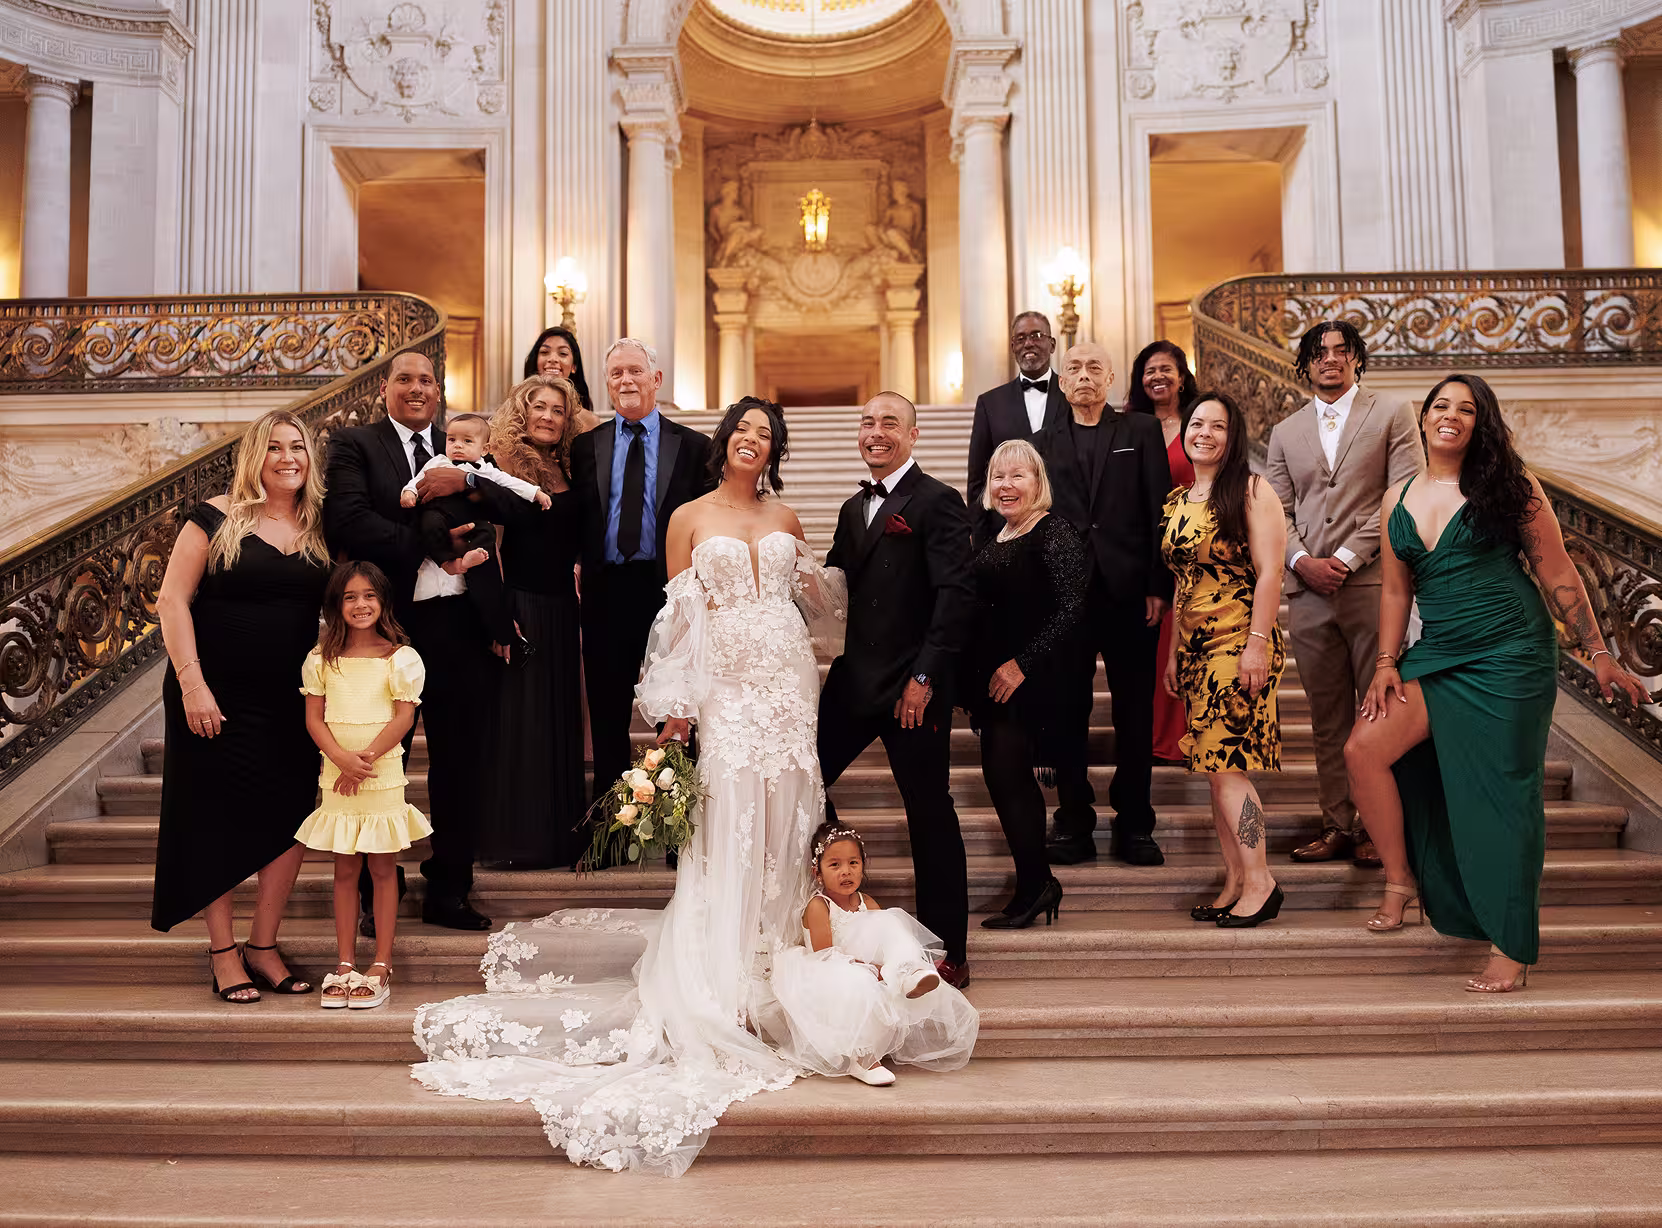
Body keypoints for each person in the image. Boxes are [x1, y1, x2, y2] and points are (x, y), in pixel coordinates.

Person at [410, 396, 851, 1176]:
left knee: (788, 813)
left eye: (766, 435)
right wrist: (676, 711)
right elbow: (679, 618)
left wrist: (826, 589)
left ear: (774, 449)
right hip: (728, 691)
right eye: (743, 431)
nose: (753, 441)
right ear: (725, 444)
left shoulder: (788, 518)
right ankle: (721, 971)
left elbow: (814, 607)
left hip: (786, 683)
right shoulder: (687, 515)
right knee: (729, 816)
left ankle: (778, 955)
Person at [1345, 374, 1649, 992]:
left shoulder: (1512, 487)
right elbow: (1398, 588)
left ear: (1480, 423)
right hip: (1439, 652)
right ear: (1423, 417)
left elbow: (1557, 569)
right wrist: (1384, 665)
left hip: (1511, 652)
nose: (1450, 416)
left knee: (1506, 798)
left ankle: (1511, 946)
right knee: (1363, 751)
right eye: (1440, 406)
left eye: (1466, 409)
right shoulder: (1397, 493)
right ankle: (1403, 879)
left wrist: (1597, 650)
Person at [323, 350, 515, 933]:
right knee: (381, 757)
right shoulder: (356, 445)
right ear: (385, 389)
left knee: (461, 763)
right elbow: (348, 522)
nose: (417, 388)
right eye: (404, 379)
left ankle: (450, 887)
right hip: (388, 627)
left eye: (427, 380)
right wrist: (431, 544)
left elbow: (505, 507)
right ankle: (372, 886)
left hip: (460, 623)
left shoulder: (462, 443)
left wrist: (472, 489)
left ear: (440, 390)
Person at [151, 409, 331, 1002]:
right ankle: (223, 952)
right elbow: (173, 601)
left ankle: (264, 945)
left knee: (291, 816)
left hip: (293, 697)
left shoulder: (322, 525)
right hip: (214, 693)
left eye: (298, 447)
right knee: (213, 815)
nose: (288, 458)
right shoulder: (215, 516)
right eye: (275, 447)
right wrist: (192, 684)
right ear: (255, 455)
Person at [818, 391, 975, 986]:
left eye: (889, 423)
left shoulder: (939, 501)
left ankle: (948, 949)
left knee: (929, 810)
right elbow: (833, 592)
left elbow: (955, 597)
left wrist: (925, 678)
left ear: (912, 435)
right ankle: (839, 910)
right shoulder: (851, 507)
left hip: (914, 687)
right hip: (855, 680)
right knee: (804, 779)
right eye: (867, 422)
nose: (876, 432)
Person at [1266, 322, 1422, 870]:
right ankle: (1337, 823)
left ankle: (1381, 832)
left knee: (1377, 711)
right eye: (1319, 353)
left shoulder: (1392, 414)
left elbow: (1403, 493)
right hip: (1307, 593)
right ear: (1306, 365)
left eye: (1341, 351)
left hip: (1374, 585)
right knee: (1326, 716)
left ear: (1357, 359)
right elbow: (1277, 510)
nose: (1330, 360)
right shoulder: (1285, 431)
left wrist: (1349, 558)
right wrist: (1301, 560)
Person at [1037, 342, 1172, 867]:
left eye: (1095, 367)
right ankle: (1073, 818)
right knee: (1067, 711)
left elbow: (1160, 510)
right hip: (1063, 600)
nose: (1085, 376)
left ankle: (1135, 821)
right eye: (1074, 368)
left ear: (1112, 377)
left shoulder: (1139, 432)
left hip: (1130, 594)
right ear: (1062, 380)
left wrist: (1159, 587)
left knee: (1134, 713)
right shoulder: (1039, 441)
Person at [1162, 393, 1288, 929]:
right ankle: (1236, 877)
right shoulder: (1177, 500)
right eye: (1197, 423)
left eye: (1218, 425)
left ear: (1233, 437)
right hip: (1193, 650)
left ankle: (1262, 880)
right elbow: (1180, 583)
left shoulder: (1253, 490)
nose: (1205, 433)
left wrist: (1257, 643)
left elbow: (1271, 573)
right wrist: (1172, 655)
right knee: (1215, 774)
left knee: (1230, 770)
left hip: (1239, 643)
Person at [570, 338, 714, 800]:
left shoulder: (694, 447)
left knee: (675, 707)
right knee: (609, 712)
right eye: (616, 373)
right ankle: (612, 825)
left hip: (668, 592)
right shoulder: (584, 447)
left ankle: (677, 827)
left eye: (635, 371)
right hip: (604, 591)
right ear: (607, 385)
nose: (625, 380)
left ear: (656, 380)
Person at [296, 561, 428, 1010]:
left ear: (383, 601)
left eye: (369, 596)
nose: (360, 604)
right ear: (336, 605)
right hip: (337, 773)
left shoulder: (401, 657)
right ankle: (347, 962)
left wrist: (363, 761)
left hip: (379, 773)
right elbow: (314, 718)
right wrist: (340, 760)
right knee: (344, 869)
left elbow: (404, 717)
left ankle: (383, 962)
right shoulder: (321, 660)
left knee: (381, 866)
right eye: (350, 597)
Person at [965, 440, 1085, 930]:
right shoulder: (997, 533)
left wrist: (1022, 665)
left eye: (1018, 476)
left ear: (1038, 483)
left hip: (1035, 681)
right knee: (1005, 781)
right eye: (997, 476)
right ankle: (1036, 882)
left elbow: (1073, 608)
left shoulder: (1054, 531)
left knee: (1010, 779)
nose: (1006, 485)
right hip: (999, 683)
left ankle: (1035, 885)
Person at [767, 822, 979, 1086]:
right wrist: (871, 969)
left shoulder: (867, 903)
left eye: (853, 863)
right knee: (859, 981)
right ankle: (863, 1057)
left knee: (891, 921)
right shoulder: (819, 906)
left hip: (872, 969)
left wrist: (883, 967)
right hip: (831, 974)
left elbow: (882, 940)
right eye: (834, 865)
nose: (846, 871)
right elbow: (825, 957)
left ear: (863, 865)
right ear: (817, 873)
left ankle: (908, 971)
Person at [477, 374, 586, 870]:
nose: (547, 416)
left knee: (557, 719)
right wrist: (501, 618)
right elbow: (489, 543)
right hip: (521, 605)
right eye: (538, 406)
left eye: (557, 410)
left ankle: (559, 837)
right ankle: (519, 840)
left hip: (563, 607)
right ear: (522, 411)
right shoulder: (500, 464)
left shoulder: (567, 466)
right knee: (523, 723)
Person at [400, 411, 550, 655]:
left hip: (472, 522)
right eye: (452, 440)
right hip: (439, 514)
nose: (457, 445)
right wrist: (410, 493)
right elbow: (417, 480)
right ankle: (450, 562)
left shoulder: (486, 469)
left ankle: (502, 630)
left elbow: (511, 484)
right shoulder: (438, 461)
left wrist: (536, 493)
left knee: (486, 533)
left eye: (467, 441)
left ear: (485, 447)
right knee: (430, 523)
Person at [1127, 340, 1200, 765]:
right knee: (1160, 651)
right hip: (1152, 550)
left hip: (1198, 548)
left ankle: (1198, 732)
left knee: (1196, 640)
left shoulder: (1200, 422)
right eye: (1149, 370)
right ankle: (1163, 739)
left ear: (1182, 376)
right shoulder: (1129, 426)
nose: (1158, 377)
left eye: (1166, 369)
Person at [967, 311, 1070, 546]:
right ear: (1013, 346)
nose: (1029, 343)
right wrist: (982, 542)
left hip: (1066, 526)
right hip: (1006, 530)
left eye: (1036, 335)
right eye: (1021, 338)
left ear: (1052, 344)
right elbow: (977, 479)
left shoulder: (1072, 398)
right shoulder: (990, 403)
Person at [522, 325, 600, 431]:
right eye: (545, 352)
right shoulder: (517, 412)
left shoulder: (589, 421)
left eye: (562, 353)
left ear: (574, 366)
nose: (553, 359)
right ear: (535, 361)